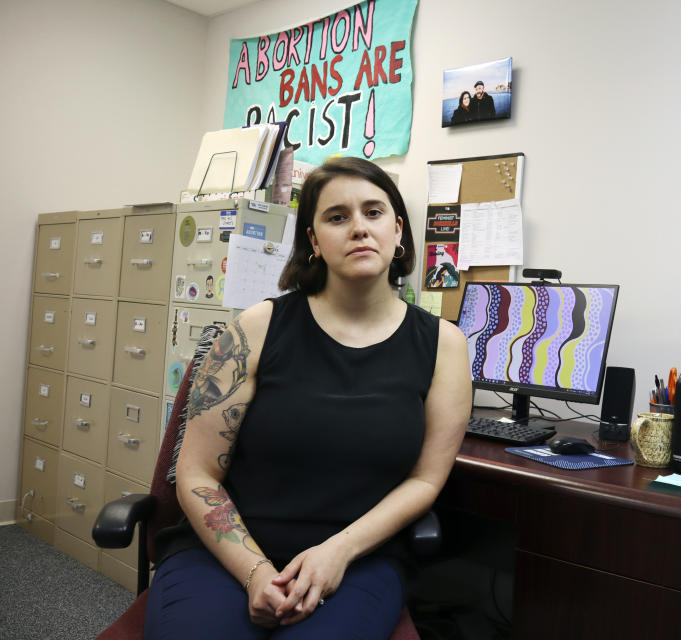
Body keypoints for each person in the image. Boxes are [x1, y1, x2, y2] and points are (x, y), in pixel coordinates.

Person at [145, 157, 472, 638]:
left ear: (398, 229)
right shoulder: (256, 328)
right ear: (314, 241)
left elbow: (425, 481)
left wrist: (338, 551)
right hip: (226, 553)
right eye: (337, 217)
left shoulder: (444, 346)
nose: (359, 228)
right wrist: (254, 571)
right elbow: (197, 473)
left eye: (374, 212)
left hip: (359, 559)